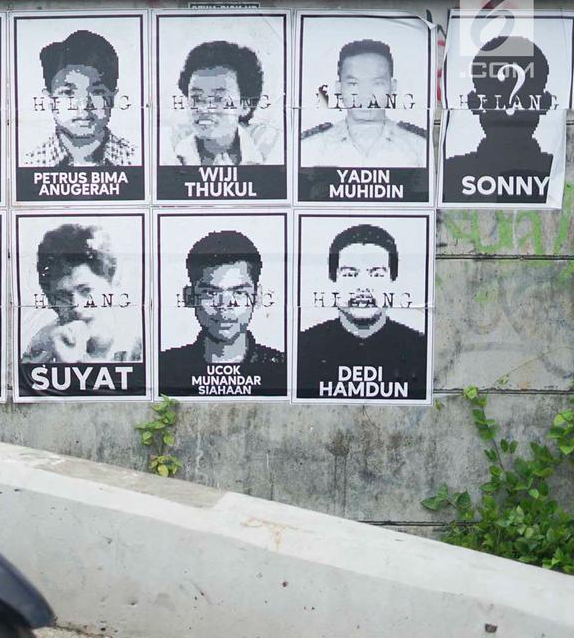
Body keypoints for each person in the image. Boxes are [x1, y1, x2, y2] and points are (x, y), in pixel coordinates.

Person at [295, 224, 425, 400]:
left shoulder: (419, 349)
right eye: (350, 274)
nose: (363, 287)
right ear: (333, 281)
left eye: (376, 274)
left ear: (393, 282)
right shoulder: (302, 348)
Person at [159, 230, 284, 396]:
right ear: (189, 297)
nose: (225, 305)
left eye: (239, 292)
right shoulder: (166, 367)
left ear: (257, 296)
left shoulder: (281, 368)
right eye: (210, 292)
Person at [442, 34, 555, 202]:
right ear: (474, 102)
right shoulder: (450, 173)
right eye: (496, 99)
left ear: (545, 103)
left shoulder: (559, 172)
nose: (509, 110)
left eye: (522, 100)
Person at [23, 223, 141, 364]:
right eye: (62, 296)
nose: (77, 308)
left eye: (85, 290)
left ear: (112, 284)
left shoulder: (139, 343)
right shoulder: (41, 346)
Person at [301, 39, 427, 168]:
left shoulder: (419, 147)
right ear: (338, 88)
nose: (365, 95)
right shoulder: (310, 148)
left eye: (377, 83)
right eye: (353, 83)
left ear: (392, 87)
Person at [23, 30, 138, 168]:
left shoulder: (136, 159)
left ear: (112, 98)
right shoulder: (30, 163)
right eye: (68, 92)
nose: (83, 105)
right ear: (50, 99)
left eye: (97, 91)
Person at [165, 41, 282, 166]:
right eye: (197, 98)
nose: (204, 108)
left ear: (245, 105)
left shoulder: (273, 148)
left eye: (218, 98)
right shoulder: (166, 150)